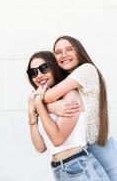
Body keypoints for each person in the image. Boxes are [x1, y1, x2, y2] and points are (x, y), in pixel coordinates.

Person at [42, 35, 117, 181]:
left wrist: (47, 105)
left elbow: (47, 96)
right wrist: (51, 107)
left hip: (100, 145)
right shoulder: (66, 80)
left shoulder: (87, 70)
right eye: (58, 52)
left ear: (79, 52)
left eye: (69, 49)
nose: (64, 55)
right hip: (82, 149)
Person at [27, 51, 110, 181]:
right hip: (60, 169)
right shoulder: (44, 102)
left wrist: (37, 103)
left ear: (54, 67)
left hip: (78, 167)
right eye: (33, 72)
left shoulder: (70, 95)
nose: (39, 75)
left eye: (44, 68)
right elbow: (41, 147)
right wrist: (32, 117)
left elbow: (57, 139)